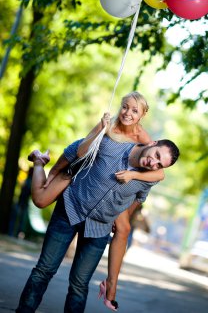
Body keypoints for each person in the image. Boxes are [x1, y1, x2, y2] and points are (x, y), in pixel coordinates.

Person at [27, 92, 165, 309]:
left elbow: (157, 174)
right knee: (42, 201)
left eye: (134, 110)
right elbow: (79, 151)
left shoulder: (146, 143)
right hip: (77, 185)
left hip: (101, 219)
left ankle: (40, 164)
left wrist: (133, 176)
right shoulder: (108, 125)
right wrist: (99, 130)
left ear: (142, 115)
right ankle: (39, 163)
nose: (128, 113)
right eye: (125, 107)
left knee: (80, 284)